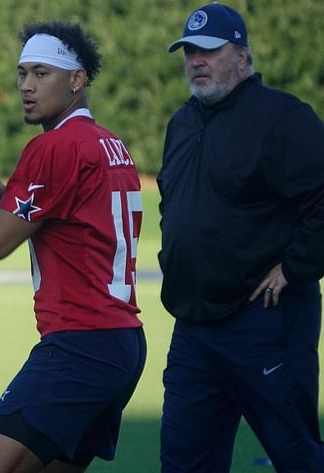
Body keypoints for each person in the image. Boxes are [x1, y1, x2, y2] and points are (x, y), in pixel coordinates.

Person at [0, 21, 146, 473]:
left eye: (41, 74)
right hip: (120, 344)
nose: (26, 86)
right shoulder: (107, 143)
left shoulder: (53, 147)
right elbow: (60, 217)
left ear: (77, 79)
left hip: (79, 346)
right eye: (22, 73)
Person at [158, 3, 324, 472]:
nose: (196, 61)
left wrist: (295, 266)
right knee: (184, 461)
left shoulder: (283, 118)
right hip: (193, 328)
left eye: (209, 50)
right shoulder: (182, 122)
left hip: (264, 322)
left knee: (297, 456)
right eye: (189, 51)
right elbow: (175, 205)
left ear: (242, 56)